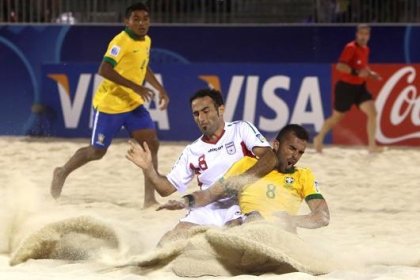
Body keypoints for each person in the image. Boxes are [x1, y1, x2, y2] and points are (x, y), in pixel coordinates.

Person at [50, 3, 169, 208]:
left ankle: (149, 199)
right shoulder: (120, 41)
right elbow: (104, 70)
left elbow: (143, 66)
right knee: (97, 152)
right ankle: (61, 171)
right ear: (127, 22)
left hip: (133, 104)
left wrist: (160, 89)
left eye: (145, 18)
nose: (142, 23)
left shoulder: (146, 40)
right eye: (136, 19)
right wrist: (137, 87)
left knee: (151, 145)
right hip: (110, 105)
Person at [126, 88, 278, 243]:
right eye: (196, 114)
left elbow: (271, 158)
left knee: (233, 239)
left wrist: (240, 181)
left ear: (220, 110)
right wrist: (149, 169)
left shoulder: (240, 129)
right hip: (207, 205)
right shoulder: (192, 150)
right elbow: (165, 189)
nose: (201, 118)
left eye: (206, 111)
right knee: (168, 241)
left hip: (241, 203)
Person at [159, 124, 330, 232]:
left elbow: (322, 217)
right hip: (249, 229)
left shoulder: (304, 176)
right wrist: (183, 202)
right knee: (239, 222)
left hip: (281, 235)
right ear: (276, 145)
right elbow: (210, 194)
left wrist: (291, 220)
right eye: (291, 148)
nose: (295, 156)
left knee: (248, 222)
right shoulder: (247, 165)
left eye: (300, 152)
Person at [313, 24, 383, 153]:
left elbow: (363, 66)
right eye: (361, 34)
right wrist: (356, 73)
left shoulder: (366, 49)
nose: (363, 36)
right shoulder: (350, 47)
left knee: (373, 113)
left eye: (366, 34)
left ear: (369, 36)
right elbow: (340, 66)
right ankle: (319, 138)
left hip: (360, 87)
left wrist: (370, 74)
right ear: (357, 34)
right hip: (345, 88)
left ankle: (372, 146)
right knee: (336, 118)